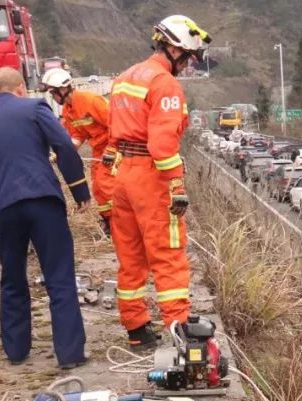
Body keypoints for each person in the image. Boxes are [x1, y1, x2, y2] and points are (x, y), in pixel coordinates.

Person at [0, 67, 90, 369]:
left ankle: (16, 351)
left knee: (13, 278)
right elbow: (63, 145)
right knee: (59, 276)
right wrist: (79, 190)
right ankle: (69, 354)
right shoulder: (35, 108)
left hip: (5, 207)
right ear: (20, 88)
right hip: (44, 200)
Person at [106, 14, 212, 350]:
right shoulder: (164, 83)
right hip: (151, 177)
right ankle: (179, 328)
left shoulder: (125, 77)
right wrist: (176, 185)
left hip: (123, 175)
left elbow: (113, 133)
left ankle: (136, 327)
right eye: (189, 57)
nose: (189, 64)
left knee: (131, 254)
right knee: (168, 254)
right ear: (175, 49)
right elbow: (162, 145)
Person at [40, 68, 116, 237]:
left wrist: (112, 149)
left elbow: (116, 123)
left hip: (114, 147)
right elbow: (77, 135)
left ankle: (119, 223)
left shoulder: (90, 101)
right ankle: (110, 221)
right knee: (98, 186)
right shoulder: (68, 110)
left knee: (106, 185)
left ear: (63, 89)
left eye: (53, 93)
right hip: (99, 150)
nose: (52, 97)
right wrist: (61, 153)